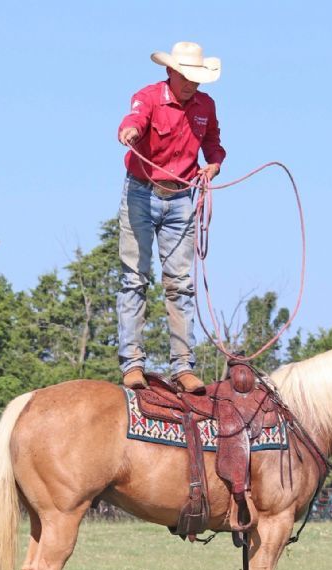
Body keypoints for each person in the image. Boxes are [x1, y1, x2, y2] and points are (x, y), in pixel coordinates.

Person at [116, 41, 226, 393]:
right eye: (186, 77)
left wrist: (214, 163)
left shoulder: (205, 106)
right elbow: (134, 119)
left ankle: (183, 367)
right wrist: (131, 131)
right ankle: (132, 364)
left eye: (196, 78)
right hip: (141, 192)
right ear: (171, 72)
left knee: (181, 285)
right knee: (134, 278)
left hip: (181, 198)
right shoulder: (148, 98)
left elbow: (213, 141)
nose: (192, 84)